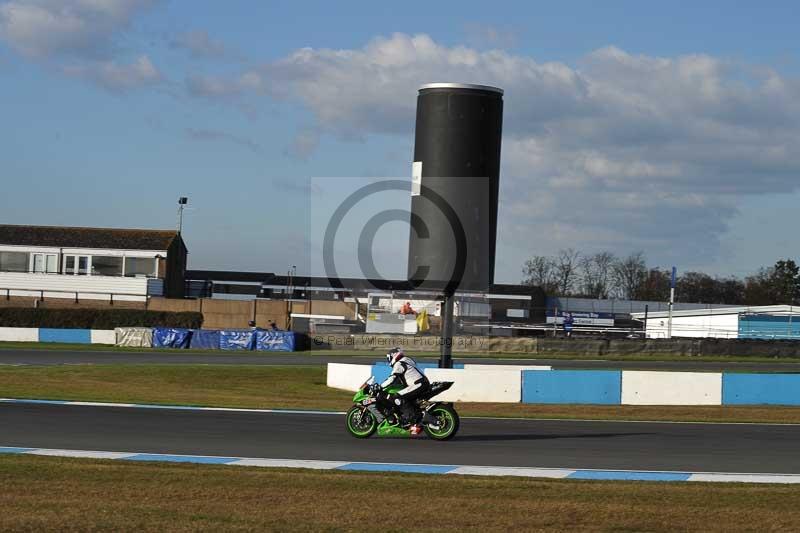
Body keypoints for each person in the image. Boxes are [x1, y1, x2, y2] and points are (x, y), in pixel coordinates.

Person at [379, 346, 430, 435]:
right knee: (404, 398)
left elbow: (392, 379)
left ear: (393, 356)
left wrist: (380, 386)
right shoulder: (407, 360)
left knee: (396, 397)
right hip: (422, 383)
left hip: (418, 384)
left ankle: (411, 419)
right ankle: (412, 418)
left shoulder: (399, 364)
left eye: (389, 358)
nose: (389, 360)